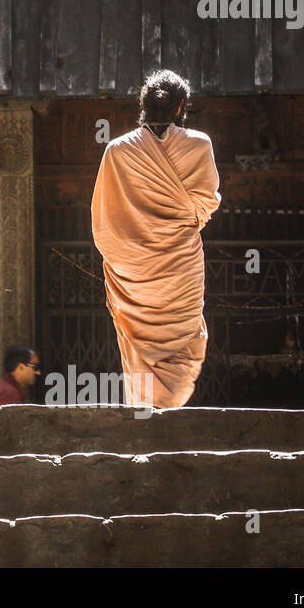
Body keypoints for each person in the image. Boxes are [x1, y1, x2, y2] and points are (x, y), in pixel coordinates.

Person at [90, 69, 221, 408]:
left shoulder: (117, 151)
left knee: (139, 343)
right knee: (183, 343)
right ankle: (165, 410)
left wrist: (130, 252)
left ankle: (146, 416)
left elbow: (105, 220)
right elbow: (204, 206)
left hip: (134, 273)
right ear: (181, 107)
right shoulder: (200, 144)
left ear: (143, 106)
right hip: (181, 266)